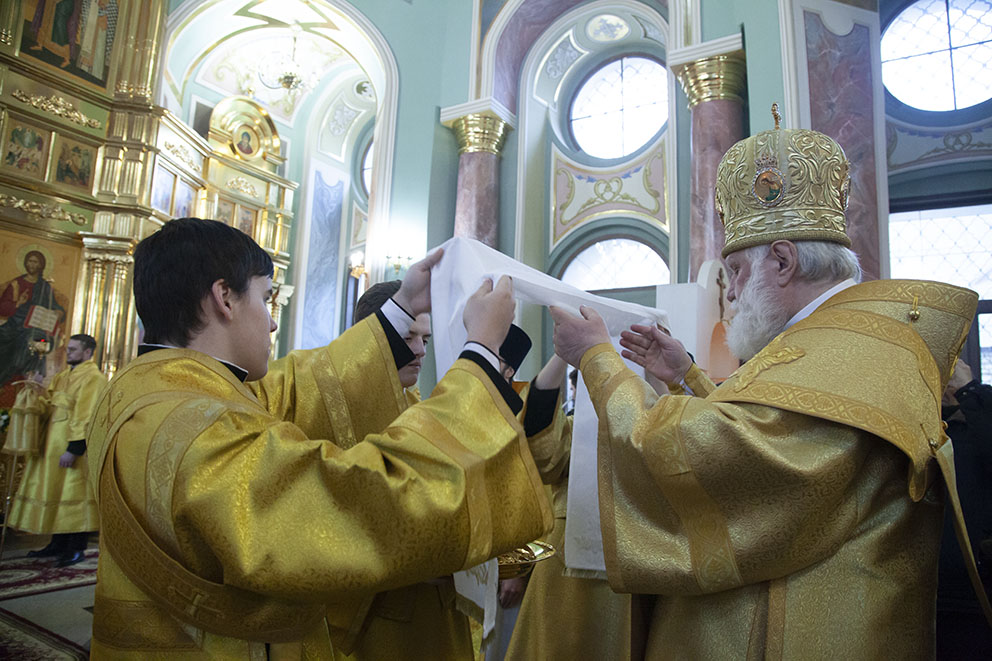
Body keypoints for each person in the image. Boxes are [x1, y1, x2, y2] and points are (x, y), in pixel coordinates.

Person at [549, 117, 981, 657]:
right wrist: (685, 375)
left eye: (734, 270)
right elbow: (765, 434)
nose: (730, 292)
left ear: (781, 260)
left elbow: (725, 464)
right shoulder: (833, 339)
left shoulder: (847, 351)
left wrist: (596, 359)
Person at [86, 217, 552, 658]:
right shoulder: (198, 426)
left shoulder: (147, 388)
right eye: (266, 298)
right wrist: (481, 353)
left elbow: (302, 386)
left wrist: (404, 304)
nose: (272, 322)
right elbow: (354, 503)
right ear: (224, 298)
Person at [505, 353, 633, 661]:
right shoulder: (578, 431)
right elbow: (543, 455)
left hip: (633, 572)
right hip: (567, 571)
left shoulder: (656, 431)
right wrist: (562, 355)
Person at [7, 333, 105, 567]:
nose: (67, 353)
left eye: (73, 349)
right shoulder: (61, 377)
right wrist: (33, 393)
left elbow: (87, 415)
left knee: (73, 494)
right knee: (56, 494)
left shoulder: (94, 378)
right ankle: (57, 544)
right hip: (51, 445)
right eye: (68, 348)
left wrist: (74, 448)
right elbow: (48, 408)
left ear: (87, 352)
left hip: (72, 448)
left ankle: (75, 548)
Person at [936, 360, 992, 659]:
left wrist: (968, 392)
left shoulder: (982, 407)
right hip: (932, 587)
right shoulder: (927, 423)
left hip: (977, 586)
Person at [0, 250, 66, 390]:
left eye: (35, 262)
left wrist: (59, 312)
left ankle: (26, 380)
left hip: (35, 326)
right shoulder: (16, 284)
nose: (31, 264)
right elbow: (3, 308)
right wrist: (18, 303)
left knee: (34, 341)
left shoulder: (44, 286)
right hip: (14, 324)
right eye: (30, 261)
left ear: (41, 265)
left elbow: (53, 305)